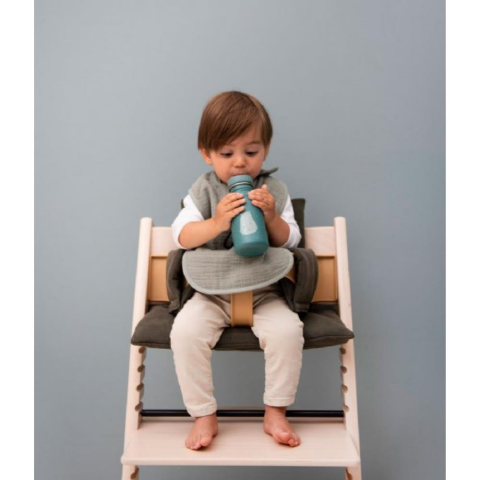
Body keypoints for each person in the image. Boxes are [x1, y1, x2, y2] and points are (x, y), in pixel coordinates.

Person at [170, 91, 305, 450]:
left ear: (266, 149)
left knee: (288, 332)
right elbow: (181, 235)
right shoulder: (202, 191)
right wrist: (216, 222)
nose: (240, 163)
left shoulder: (274, 191)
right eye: (227, 154)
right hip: (211, 291)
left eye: (251, 151)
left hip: (264, 289)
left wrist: (271, 216)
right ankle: (203, 414)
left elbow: (292, 239)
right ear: (207, 153)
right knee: (184, 332)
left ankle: (276, 411)